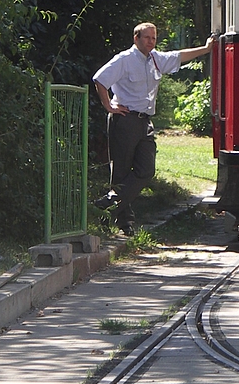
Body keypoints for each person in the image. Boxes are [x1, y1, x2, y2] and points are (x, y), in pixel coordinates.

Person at [92, 22, 215, 235]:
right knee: (121, 172)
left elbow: (179, 56)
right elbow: (100, 79)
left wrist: (206, 49)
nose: (151, 41)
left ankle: (108, 204)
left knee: (146, 169)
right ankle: (124, 223)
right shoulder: (124, 60)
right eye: (147, 37)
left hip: (145, 122)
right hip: (125, 120)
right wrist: (108, 106)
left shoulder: (156, 59)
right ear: (136, 38)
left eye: (154, 38)